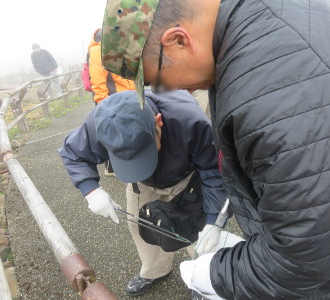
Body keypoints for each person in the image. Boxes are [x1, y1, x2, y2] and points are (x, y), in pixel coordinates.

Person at [100, 0, 330, 299]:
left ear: (178, 40)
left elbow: (300, 257)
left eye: (159, 81)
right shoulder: (249, 30)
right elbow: (278, 162)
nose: (168, 92)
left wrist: (215, 275)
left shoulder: (276, 91)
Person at [58, 90, 227, 296]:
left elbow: (213, 170)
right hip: (141, 183)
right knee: (140, 225)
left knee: (195, 231)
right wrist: (91, 190)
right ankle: (155, 271)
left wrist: (213, 221)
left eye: (145, 151)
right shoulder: (100, 124)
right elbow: (73, 153)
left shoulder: (191, 122)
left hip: (184, 179)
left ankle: (202, 278)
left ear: (158, 123)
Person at [87, 28, 135, 175]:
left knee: (124, 133)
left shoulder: (118, 48)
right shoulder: (98, 51)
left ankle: (122, 164)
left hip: (126, 98)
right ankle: (111, 167)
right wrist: (104, 105)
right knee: (113, 135)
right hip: (112, 101)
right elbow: (97, 81)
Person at [87, 28, 135, 104]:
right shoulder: (99, 50)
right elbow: (98, 83)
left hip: (130, 101)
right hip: (115, 104)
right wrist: (105, 108)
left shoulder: (120, 46)